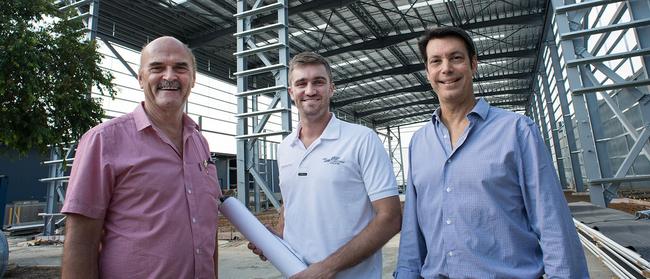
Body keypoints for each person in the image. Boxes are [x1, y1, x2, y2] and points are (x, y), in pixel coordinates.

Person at [394, 26, 589, 278]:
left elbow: (552, 223)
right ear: (427, 72)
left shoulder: (517, 131)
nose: (446, 69)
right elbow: (412, 232)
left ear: (473, 64)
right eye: (436, 61)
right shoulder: (420, 143)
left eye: (456, 58)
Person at [61, 36, 222, 279]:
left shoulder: (200, 144)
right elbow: (81, 241)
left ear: (193, 79)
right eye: (157, 68)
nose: (169, 76)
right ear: (140, 78)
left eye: (180, 68)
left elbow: (208, 230)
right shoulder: (104, 141)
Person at [249, 52, 402, 278]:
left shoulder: (361, 139)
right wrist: (275, 242)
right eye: (301, 83)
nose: (310, 90)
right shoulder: (285, 148)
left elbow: (390, 218)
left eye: (318, 82)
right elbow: (291, 205)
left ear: (331, 88)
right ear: (291, 92)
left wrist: (328, 268)